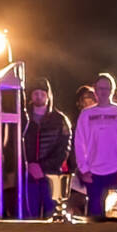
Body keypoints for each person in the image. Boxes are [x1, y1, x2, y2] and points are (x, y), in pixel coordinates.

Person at [72, 73, 117, 219]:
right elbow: (79, 143)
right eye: (100, 88)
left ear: (112, 90)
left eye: (107, 89)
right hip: (93, 174)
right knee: (94, 217)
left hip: (116, 173)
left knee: (115, 217)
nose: (103, 92)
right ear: (95, 90)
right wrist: (83, 169)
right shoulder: (86, 114)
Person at [20, 81, 72, 219]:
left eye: (42, 94)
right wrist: (28, 165)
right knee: (29, 216)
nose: (38, 97)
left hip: (51, 175)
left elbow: (64, 149)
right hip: (27, 175)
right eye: (35, 93)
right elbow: (15, 145)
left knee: (53, 215)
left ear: (48, 96)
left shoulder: (60, 120)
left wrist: (43, 167)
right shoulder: (22, 120)